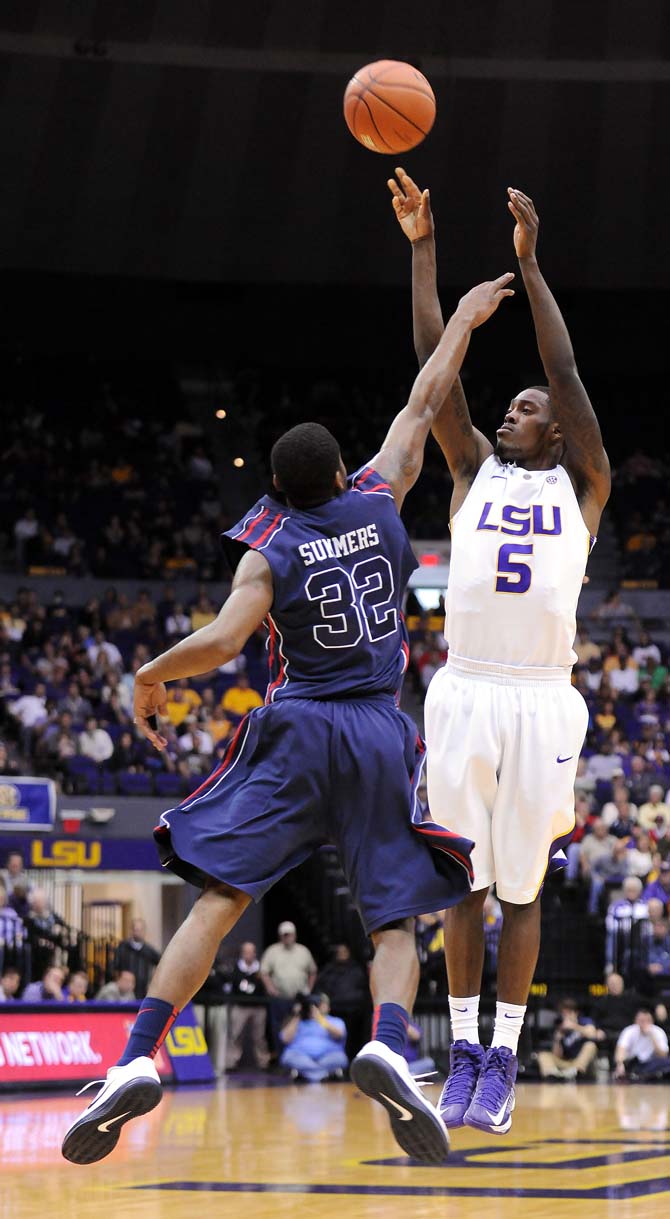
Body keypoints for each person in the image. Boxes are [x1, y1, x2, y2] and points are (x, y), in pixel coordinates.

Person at [61, 270, 514, 1167]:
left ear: (274, 485)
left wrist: (149, 673)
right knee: (394, 921)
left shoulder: (269, 545)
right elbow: (427, 396)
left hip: (298, 727)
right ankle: (387, 1039)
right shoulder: (382, 495)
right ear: (344, 473)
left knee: (221, 902)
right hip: (382, 732)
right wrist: (461, 309)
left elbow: (227, 640)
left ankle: (134, 1056)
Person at [388, 168, 611, 1134]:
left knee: (520, 887)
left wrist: (531, 267)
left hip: (540, 695)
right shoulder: (472, 469)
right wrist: (425, 251)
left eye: (526, 407)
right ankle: (464, 1050)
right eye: (511, 404)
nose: (514, 410)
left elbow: (563, 374)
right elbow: (433, 365)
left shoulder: (585, 481)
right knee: (462, 883)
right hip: (465, 690)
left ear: (558, 432)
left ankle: (506, 1061)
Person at [279, 993, 348, 1083]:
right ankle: (323, 1075)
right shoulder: (298, 1021)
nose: (316, 1007)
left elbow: (339, 1034)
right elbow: (285, 1039)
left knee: (340, 1058)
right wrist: (298, 1015)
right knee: (288, 1057)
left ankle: (305, 1074)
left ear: (329, 1007)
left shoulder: (335, 1020)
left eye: (320, 1004)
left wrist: (319, 1018)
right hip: (301, 1057)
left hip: (328, 1057)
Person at [224, 941, 270, 1071]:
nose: (249, 955)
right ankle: (231, 1063)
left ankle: (263, 1063)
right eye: (246, 952)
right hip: (240, 1006)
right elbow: (230, 986)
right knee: (235, 1035)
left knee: (259, 1037)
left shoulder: (261, 969)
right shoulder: (236, 968)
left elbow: (266, 987)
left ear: (255, 953)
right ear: (242, 953)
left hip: (258, 1007)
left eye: (251, 952)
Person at [537, 998, 605, 1080]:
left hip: (585, 1065)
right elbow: (558, 1055)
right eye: (564, 1014)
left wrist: (574, 1026)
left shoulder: (584, 1021)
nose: (566, 1017)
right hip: (569, 1063)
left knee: (590, 1045)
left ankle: (576, 1071)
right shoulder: (561, 1029)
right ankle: (552, 1075)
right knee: (543, 1055)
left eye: (568, 1013)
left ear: (575, 1013)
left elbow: (592, 1034)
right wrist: (557, 1040)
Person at [614, 1009, 670, 1080]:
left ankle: (649, 1076)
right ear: (636, 1021)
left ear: (652, 1021)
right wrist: (620, 1064)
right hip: (633, 1063)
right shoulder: (629, 1031)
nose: (645, 1023)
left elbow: (663, 1055)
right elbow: (621, 1049)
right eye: (642, 1021)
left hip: (651, 1063)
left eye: (648, 1020)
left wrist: (652, 1036)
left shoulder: (658, 1032)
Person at [112, 919, 160, 1000]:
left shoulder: (149, 951)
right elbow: (114, 967)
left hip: (143, 990)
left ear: (144, 932)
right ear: (131, 931)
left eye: (140, 930)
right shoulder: (123, 948)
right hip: (125, 991)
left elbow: (161, 964)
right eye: (136, 930)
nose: (138, 933)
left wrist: (153, 982)